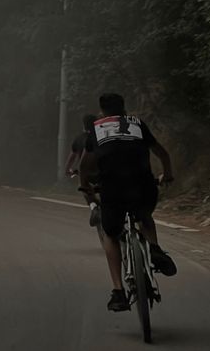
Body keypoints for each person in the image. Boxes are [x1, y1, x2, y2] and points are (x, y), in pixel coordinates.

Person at [80, 92, 177, 312]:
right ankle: (155, 249)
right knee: (144, 215)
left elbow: (85, 166)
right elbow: (162, 153)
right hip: (143, 185)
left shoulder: (96, 129)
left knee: (110, 234)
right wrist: (168, 174)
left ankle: (118, 292)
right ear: (124, 109)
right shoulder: (137, 124)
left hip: (112, 190)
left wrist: (86, 186)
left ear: (102, 110)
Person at [65, 114, 102, 228]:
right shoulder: (101, 136)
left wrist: (67, 170)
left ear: (83, 125)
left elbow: (72, 157)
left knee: (84, 188)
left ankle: (93, 207)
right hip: (104, 171)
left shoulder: (79, 139)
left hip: (87, 173)